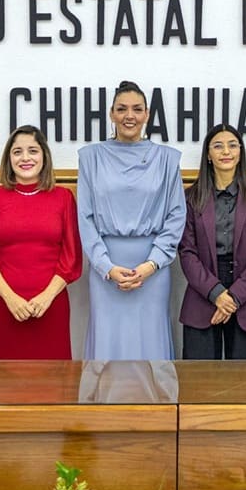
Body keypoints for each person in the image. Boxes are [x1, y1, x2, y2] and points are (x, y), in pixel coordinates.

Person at [77, 81, 186, 360]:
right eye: (122, 109)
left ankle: (152, 405)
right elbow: (86, 218)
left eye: (137, 109)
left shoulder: (166, 159)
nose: (130, 116)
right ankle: (106, 405)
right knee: (107, 341)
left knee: (150, 343)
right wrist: (106, 267)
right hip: (106, 270)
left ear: (147, 114)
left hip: (152, 268)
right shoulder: (91, 158)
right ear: (111, 114)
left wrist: (151, 264)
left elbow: (175, 215)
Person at [0, 125, 82, 359]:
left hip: (51, 306)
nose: (25, 158)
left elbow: (71, 259)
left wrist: (46, 297)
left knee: (53, 383)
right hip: (3, 305)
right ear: (8, 158)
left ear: (44, 155)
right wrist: (11, 299)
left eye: (32, 150)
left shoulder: (63, 198)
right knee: (2, 383)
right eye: (17, 152)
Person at [178, 124, 246, 359]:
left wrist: (233, 297)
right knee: (198, 383)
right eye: (218, 146)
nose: (226, 151)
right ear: (208, 155)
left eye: (232, 145)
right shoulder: (191, 198)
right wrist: (217, 294)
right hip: (203, 292)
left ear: (240, 152)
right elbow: (187, 251)